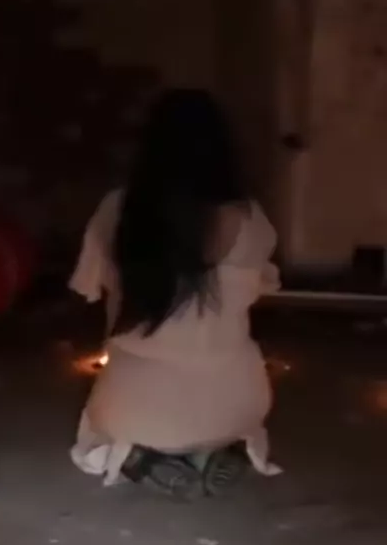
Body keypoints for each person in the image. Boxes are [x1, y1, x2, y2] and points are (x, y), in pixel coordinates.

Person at [69, 88, 281, 498]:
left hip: (135, 403)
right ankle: (221, 450)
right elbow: (260, 288)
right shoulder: (250, 217)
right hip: (237, 399)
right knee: (229, 411)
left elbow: (91, 289)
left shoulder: (119, 210)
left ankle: (141, 458)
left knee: (104, 425)